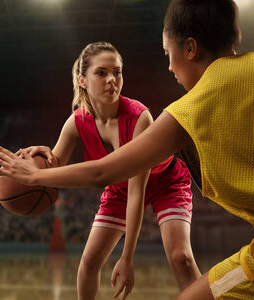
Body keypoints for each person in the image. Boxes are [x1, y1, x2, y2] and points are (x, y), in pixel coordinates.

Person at [0, 0, 254, 299]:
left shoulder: (185, 112)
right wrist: (43, 160)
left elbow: (102, 172)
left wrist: (37, 175)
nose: (170, 66)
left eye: (168, 53)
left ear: (189, 48)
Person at [17, 41, 200, 300]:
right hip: (120, 187)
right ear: (82, 79)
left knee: (181, 257)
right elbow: (55, 165)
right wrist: (39, 155)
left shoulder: (140, 117)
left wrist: (127, 258)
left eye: (117, 72)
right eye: (101, 73)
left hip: (165, 182)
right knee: (89, 262)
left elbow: (138, 192)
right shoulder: (76, 122)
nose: (112, 79)